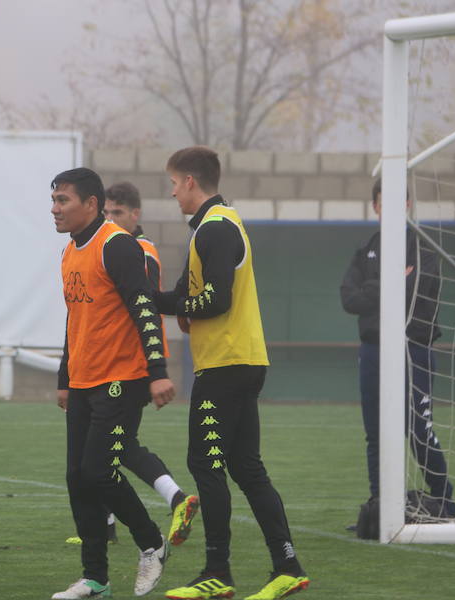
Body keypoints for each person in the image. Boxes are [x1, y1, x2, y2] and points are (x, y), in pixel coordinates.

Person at [154, 147, 309, 600]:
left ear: (189, 182)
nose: (171, 191)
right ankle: (288, 566)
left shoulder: (216, 228)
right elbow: (182, 296)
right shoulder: (211, 225)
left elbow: (215, 301)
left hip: (226, 363)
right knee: (245, 467)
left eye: (173, 182)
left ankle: (216, 572)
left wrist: (178, 306)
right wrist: (140, 298)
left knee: (205, 464)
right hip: (240, 360)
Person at [51, 168, 174, 599]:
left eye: (63, 200)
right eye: (54, 200)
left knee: (99, 472)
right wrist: (65, 379)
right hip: (84, 382)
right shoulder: (69, 252)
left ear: (91, 204)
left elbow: (145, 308)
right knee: (77, 477)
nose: (55, 208)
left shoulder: (117, 246)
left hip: (123, 379)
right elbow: (74, 320)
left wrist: (157, 373)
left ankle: (151, 541)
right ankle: (95, 578)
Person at [77, 181, 198, 546]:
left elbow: (140, 306)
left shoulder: (137, 251)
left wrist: (152, 367)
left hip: (128, 363)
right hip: (114, 363)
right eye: (107, 213)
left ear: (135, 215)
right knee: (108, 445)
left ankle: (173, 500)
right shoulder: (112, 247)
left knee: (114, 445)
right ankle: (111, 521)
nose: (110, 219)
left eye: (117, 213)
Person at [340, 179, 455, 517]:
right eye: (381, 201)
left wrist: (378, 288)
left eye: (396, 201)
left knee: (419, 429)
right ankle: (380, 505)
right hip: (374, 351)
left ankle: (445, 503)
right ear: (375, 206)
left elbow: (419, 293)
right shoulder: (364, 252)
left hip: (415, 349)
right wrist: (392, 280)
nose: (388, 207)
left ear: (406, 205)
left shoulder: (424, 250)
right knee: (375, 433)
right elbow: (350, 300)